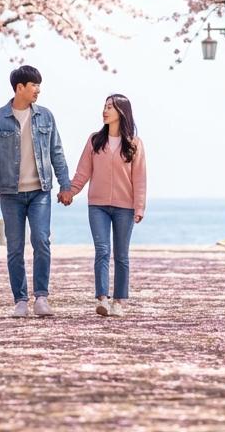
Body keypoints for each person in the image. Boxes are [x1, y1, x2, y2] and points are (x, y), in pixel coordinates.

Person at [0, 64, 72, 318]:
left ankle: (41, 297)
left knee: (41, 241)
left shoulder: (46, 116)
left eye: (39, 85)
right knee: (14, 247)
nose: (38, 90)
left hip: (40, 190)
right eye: (34, 85)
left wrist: (65, 185)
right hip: (10, 193)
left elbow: (57, 151)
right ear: (19, 88)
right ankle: (20, 300)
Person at [67, 94, 146, 318]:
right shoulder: (94, 140)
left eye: (110, 107)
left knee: (121, 255)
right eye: (104, 106)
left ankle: (119, 301)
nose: (105, 110)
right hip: (98, 206)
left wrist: (139, 207)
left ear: (121, 112)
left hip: (125, 207)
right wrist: (70, 192)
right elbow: (83, 172)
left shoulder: (134, 144)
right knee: (102, 251)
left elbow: (140, 178)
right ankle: (102, 298)